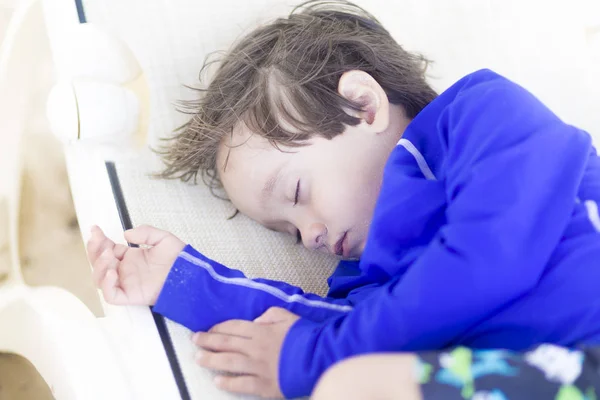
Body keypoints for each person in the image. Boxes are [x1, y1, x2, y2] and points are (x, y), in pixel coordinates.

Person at [86, 1, 600, 398]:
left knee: (346, 384)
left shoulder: (482, 119)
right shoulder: (370, 279)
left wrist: (318, 357)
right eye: (285, 231)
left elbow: (488, 261)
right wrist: (181, 280)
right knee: (351, 385)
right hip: (527, 376)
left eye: (296, 193)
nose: (308, 235)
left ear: (362, 104)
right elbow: (311, 330)